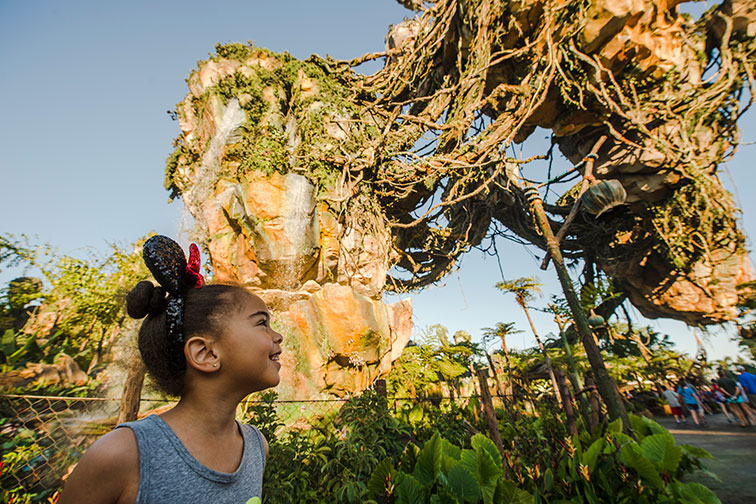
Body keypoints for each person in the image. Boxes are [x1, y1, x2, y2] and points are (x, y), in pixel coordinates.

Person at [58, 236, 283, 503]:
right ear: (206, 353)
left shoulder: (257, 447)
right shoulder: (126, 454)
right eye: (261, 324)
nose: (278, 336)